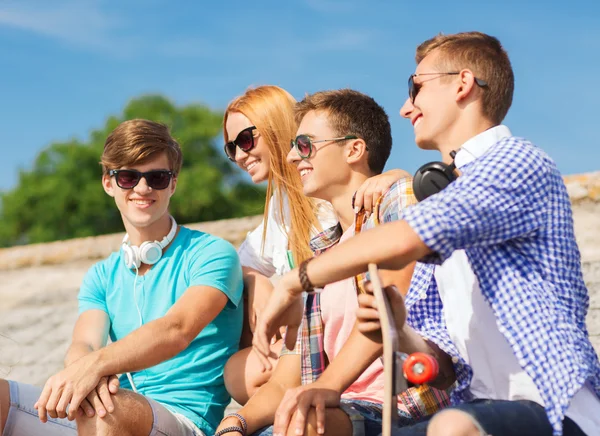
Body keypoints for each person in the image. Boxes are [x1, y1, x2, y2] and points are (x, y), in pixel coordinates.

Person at [253, 32, 600, 436]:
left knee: (452, 427)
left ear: (463, 83)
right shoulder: (448, 194)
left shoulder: (518, 161)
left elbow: (403, 239)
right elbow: (444, 370)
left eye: (415, 87)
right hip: (474, 407)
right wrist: (400, 332)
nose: (405, 108)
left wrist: (294, 283)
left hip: (556, 409)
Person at [215, 89, 448, 436]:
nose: (292, 157)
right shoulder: (321, 255)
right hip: (334, 407)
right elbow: (283, 383)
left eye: (305, 145)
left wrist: (325, 388)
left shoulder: (395, 199)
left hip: (400, 407)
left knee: (299, 422)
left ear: (353, 149)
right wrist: (234, 423)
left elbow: (387, 306)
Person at [0, 119, 244, 436]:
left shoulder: (213, 253)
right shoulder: (101, 275)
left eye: (157, 177)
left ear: (173, 184)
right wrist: (85, 373)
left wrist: (98, 367)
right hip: (107, 411)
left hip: (185, 422)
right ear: (108, 183)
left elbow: (177, 329)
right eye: (128, 177)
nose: (142, 188)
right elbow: (85, 342)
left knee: (105, 410)